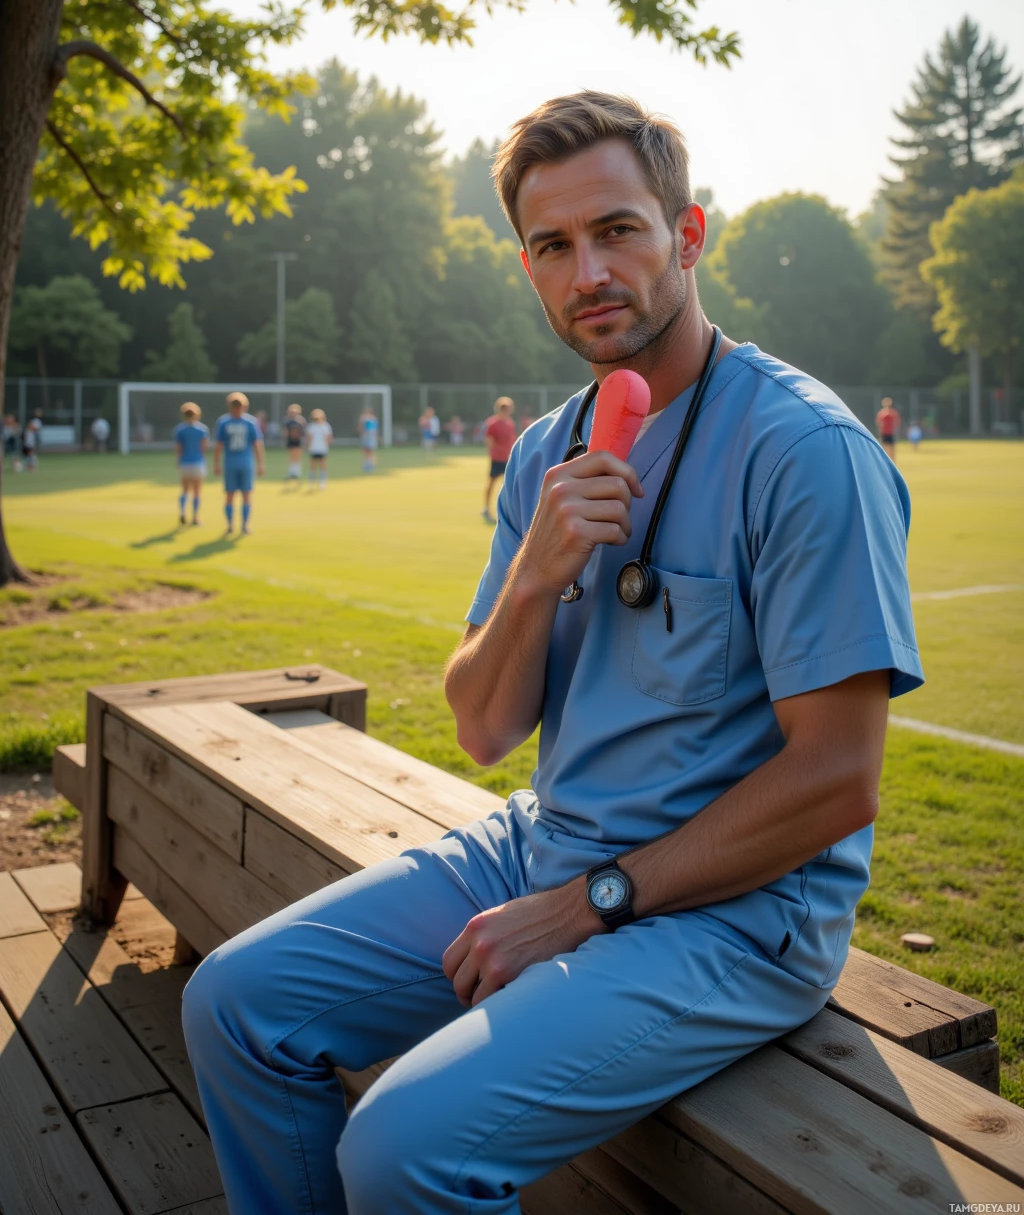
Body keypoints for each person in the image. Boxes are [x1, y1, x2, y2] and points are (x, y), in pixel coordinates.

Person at [183, 91, 923, 1215]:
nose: (589, 272)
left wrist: (588, 904)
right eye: (553, 245)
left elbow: (836, 780)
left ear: (685, 235)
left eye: (618, 230)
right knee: (235, 1003)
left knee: (400, 1149)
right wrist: (534, 575)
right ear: (526, 264)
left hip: (733, 917)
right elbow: (483, 728)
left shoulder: (804, 450)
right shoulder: (544, 451)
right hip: (546, 842)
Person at [213, 392, 264, 535]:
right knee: (246, 496)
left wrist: (216, 464)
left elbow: (218, 446)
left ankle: (230, 526)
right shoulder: (250, 422)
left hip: (231, 463)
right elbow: (257, 445)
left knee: (231, 495)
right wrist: (260, 464)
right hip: (245, 463)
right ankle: (244, 526)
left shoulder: (223, 422)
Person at [482, 396, 517, 524]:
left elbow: (512, 440)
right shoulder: (493, 423)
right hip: (497, 458)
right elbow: (489, 440)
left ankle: (507, 512)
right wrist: (494, 453)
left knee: (507, 485)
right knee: (492, 483)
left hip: (507, 458)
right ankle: (486, 508)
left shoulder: (510, 423)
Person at [174, 403, 210, 525]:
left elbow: (179, 448)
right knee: (197, 491)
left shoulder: (180, 430)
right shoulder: (202, 429)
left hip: (185, 463)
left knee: (184, 490)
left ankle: (183, 512)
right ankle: (195, 517)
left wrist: (178, 460)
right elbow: (204, 447)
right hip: (197, 462)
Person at [306, 408, 333, 488]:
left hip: (322, 448)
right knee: (312, 466)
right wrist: (308, 445)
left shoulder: (326, 426)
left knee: (323, 465)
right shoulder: (311, 426)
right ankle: (311, 482)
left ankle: (322, 482)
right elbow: (308, 437)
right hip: (314, 448)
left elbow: (329, 437)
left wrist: (328, 442)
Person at [282, 404, 307, 484]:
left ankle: (297, 473)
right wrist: (285, 439)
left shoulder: (301, 420)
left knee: (298, 457)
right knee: (292, 457)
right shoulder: (287, 421)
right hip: (291, 441)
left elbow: (303, 431)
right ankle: (291, 472)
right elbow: (285, 431)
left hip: (298, 441)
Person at [875, 396, 901, 461]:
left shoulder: (893, 413)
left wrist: (896, 431)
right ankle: (885, 461)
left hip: (891, 433)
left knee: (892, 448)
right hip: (884, 433)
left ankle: (892, 461)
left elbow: (897, 422)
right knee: (884, 447)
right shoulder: (881, 413)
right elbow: (878, 423)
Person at [358, 406, 379, 474]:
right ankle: (368, 465)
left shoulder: (370, 419)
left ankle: (369, 465)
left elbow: (374, 429)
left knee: (369, 452)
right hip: (367, 437)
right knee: (367, 452)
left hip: (369, 437)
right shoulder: (365, 418)